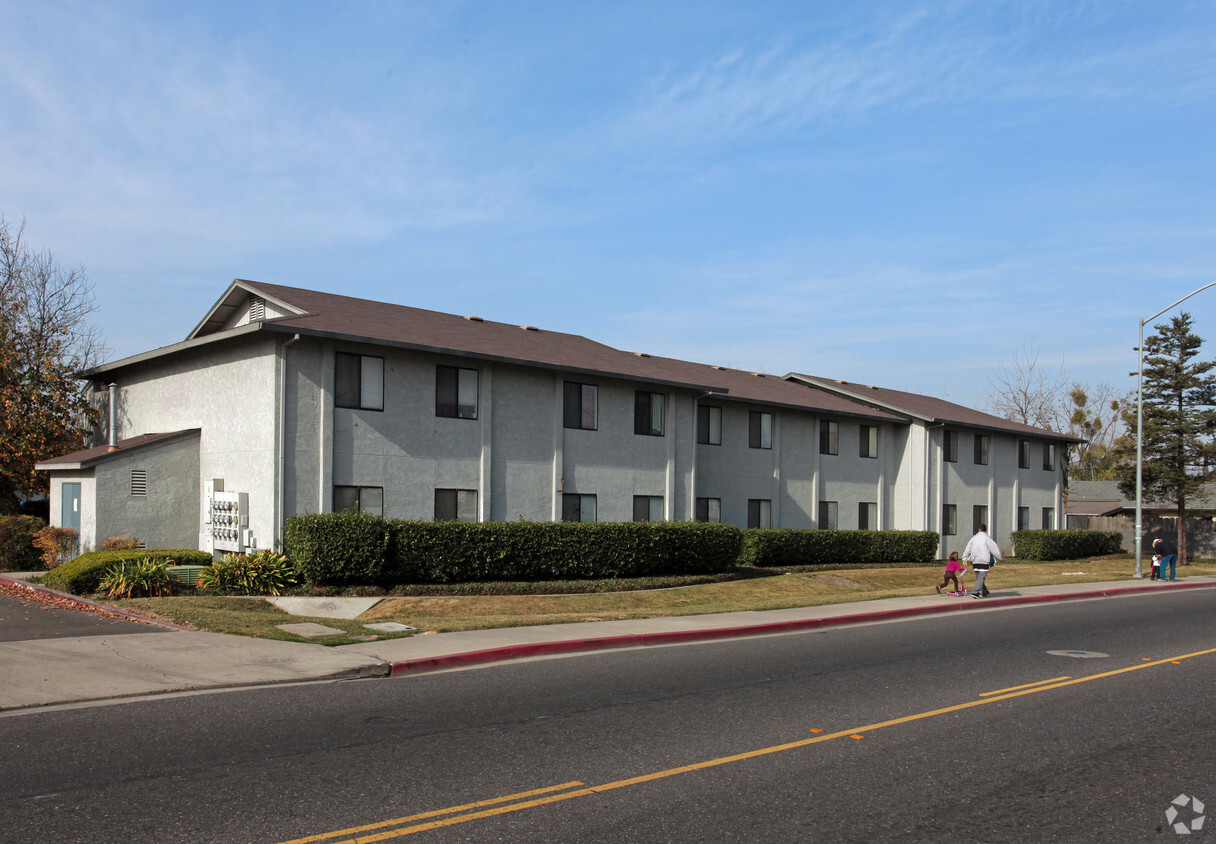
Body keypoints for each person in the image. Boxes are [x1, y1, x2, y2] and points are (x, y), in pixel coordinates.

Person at [962, 523, 1003, 599]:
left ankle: (984, 591)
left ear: (979, 529)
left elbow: (968, 548)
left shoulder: (973, 538)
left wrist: (965, 558)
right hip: (984, 560)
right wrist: (1000, 558)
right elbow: (994, 549)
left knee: (979, 577)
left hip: (975, 560)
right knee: (981, 578)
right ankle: (975, 592)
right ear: (985, 530)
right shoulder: (987, 539)